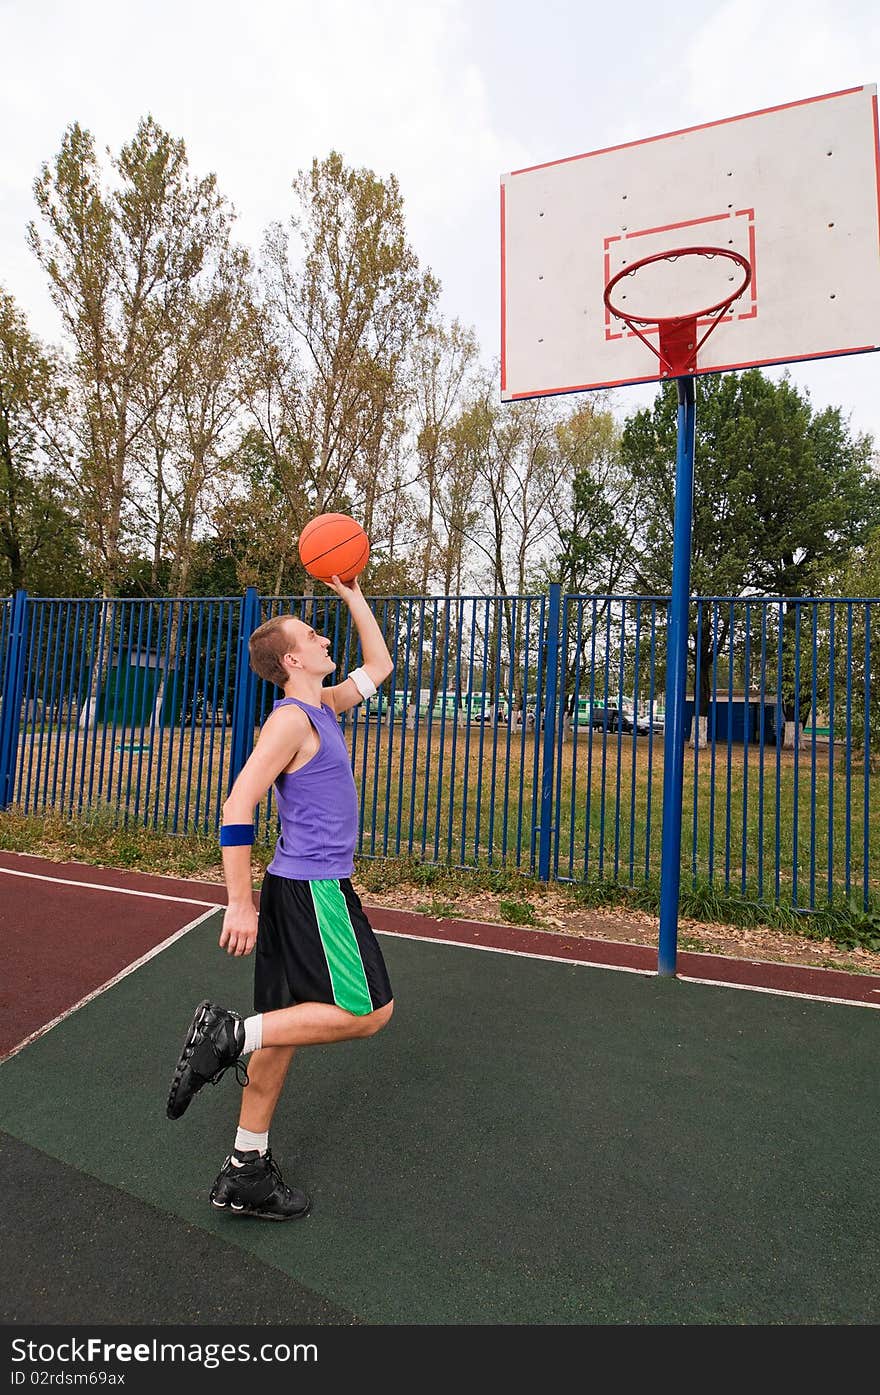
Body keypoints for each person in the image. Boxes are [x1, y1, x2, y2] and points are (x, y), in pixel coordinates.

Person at [166, 573, 395, 1221]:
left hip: (300, 887)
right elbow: (237, 806)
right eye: (314, 634)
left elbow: (380, 663)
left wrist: (352, 592)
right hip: (313, 891)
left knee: (283, 1033)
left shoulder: (327, 704)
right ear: (292, 659)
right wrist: (238, 901)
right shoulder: (292, 721)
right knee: (368, 1011)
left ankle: (245, 1170)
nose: (327, 638)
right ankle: (228, 1035)